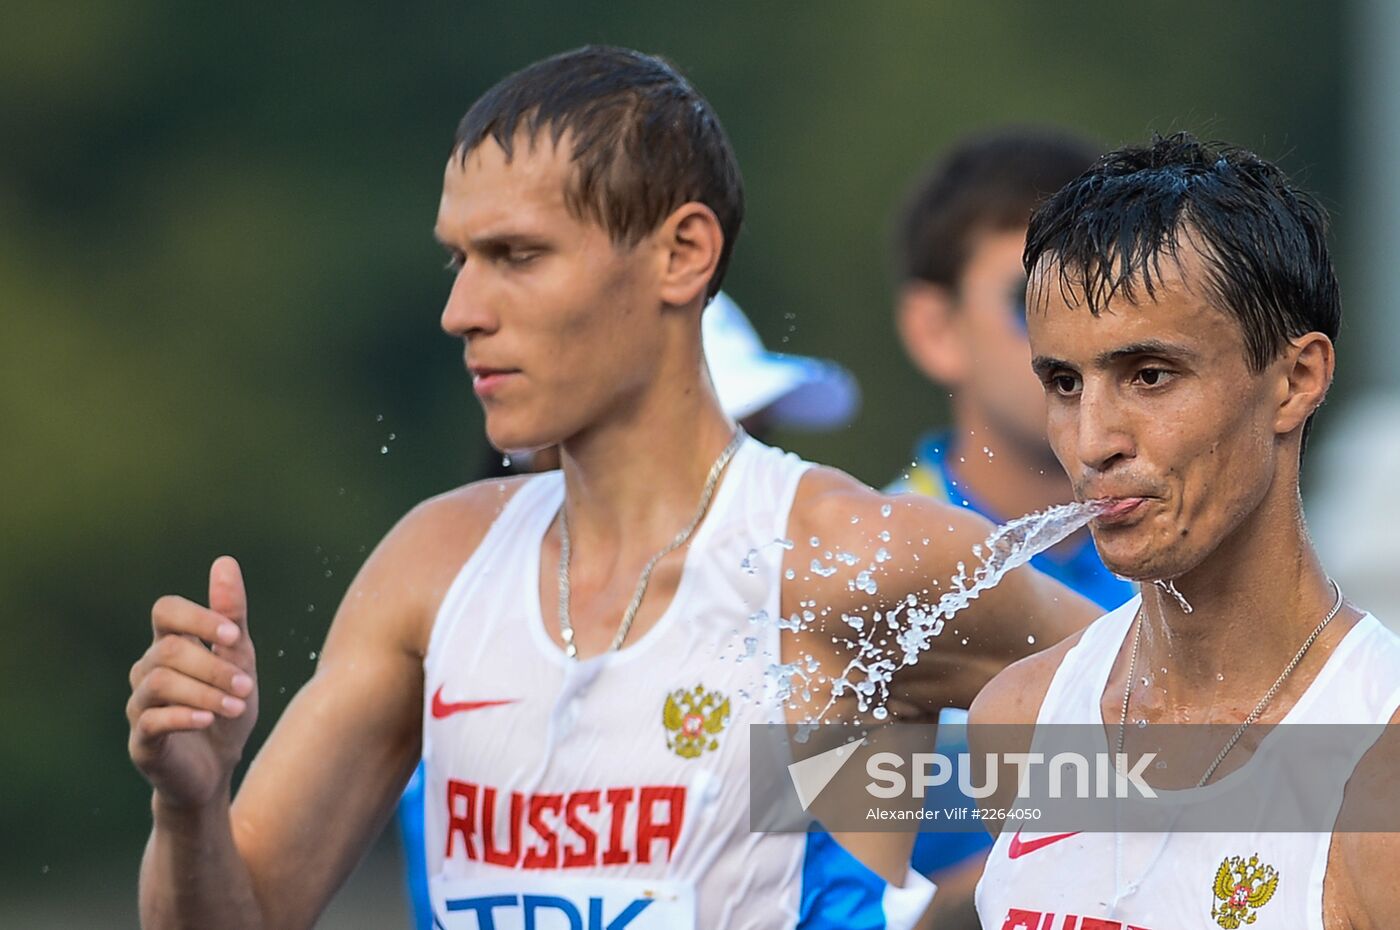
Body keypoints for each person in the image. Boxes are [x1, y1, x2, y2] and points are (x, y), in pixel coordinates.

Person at [126, 46, 1095, 930]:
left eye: (516, 256)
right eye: (459, 260)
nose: (461, 311)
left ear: (681, 254)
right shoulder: (432, 566)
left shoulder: (850, 560)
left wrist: (962, 907)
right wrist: (190, 806)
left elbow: (1185, 778)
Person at [969, 133, 1400, 928]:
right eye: (1064, 383)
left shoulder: (1377, 768)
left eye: (1149, 375)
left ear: (1295, 381)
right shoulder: (1020, 719)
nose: (1094, 441)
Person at [394, 290, 862, 930]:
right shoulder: (441, 654)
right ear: (555, 455)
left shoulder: (813, 665)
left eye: (758, 443)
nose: (751, 487)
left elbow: (870, 891)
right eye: (703, 452)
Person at [889, 128, 1134, 927]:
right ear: (936, 330)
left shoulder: (1198, 563)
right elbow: (816, 892)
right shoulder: (859, 572)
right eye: (1029, 299)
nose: (1073, 333)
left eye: (1104, 297)